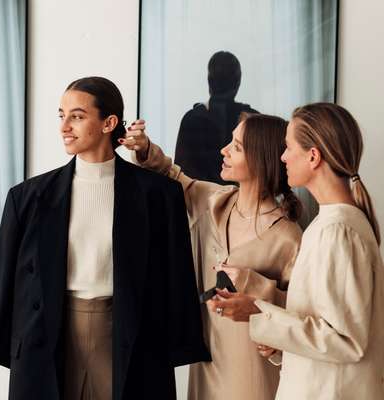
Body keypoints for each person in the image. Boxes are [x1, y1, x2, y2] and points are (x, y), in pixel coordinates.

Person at [0, 77, 210, 400]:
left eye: (77, 116)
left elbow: (177, 277)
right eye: (61, 115)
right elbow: (4, 280)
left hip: (131, 336)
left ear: (109, 123)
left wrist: (180, 342)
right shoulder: (28, 197)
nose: (64, 127)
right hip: (48, 336)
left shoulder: (158, 195)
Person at [121, 112, 302, 400]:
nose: (224, 150)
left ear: (260, 158)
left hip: (253, 371)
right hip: (207, 362)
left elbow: (301, 314)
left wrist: (255, 286)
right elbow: (172, 177)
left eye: (236, 146)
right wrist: (144, 150)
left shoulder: (288, 237)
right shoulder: (214, 202)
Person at [212, 103, 384, 399]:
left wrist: (258, 311)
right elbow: (321, 327)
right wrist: (277, 342)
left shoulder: (338, 231)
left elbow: (345, 340)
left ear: (313, 156)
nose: (282, 157)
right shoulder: (328, 225)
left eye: (288, 147)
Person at [174, 51, 257, 184]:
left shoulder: (191, 119)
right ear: (238, 82)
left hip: (199, 201)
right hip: (239, 201)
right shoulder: (253, 121)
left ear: (209, 81)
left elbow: (182, 176)